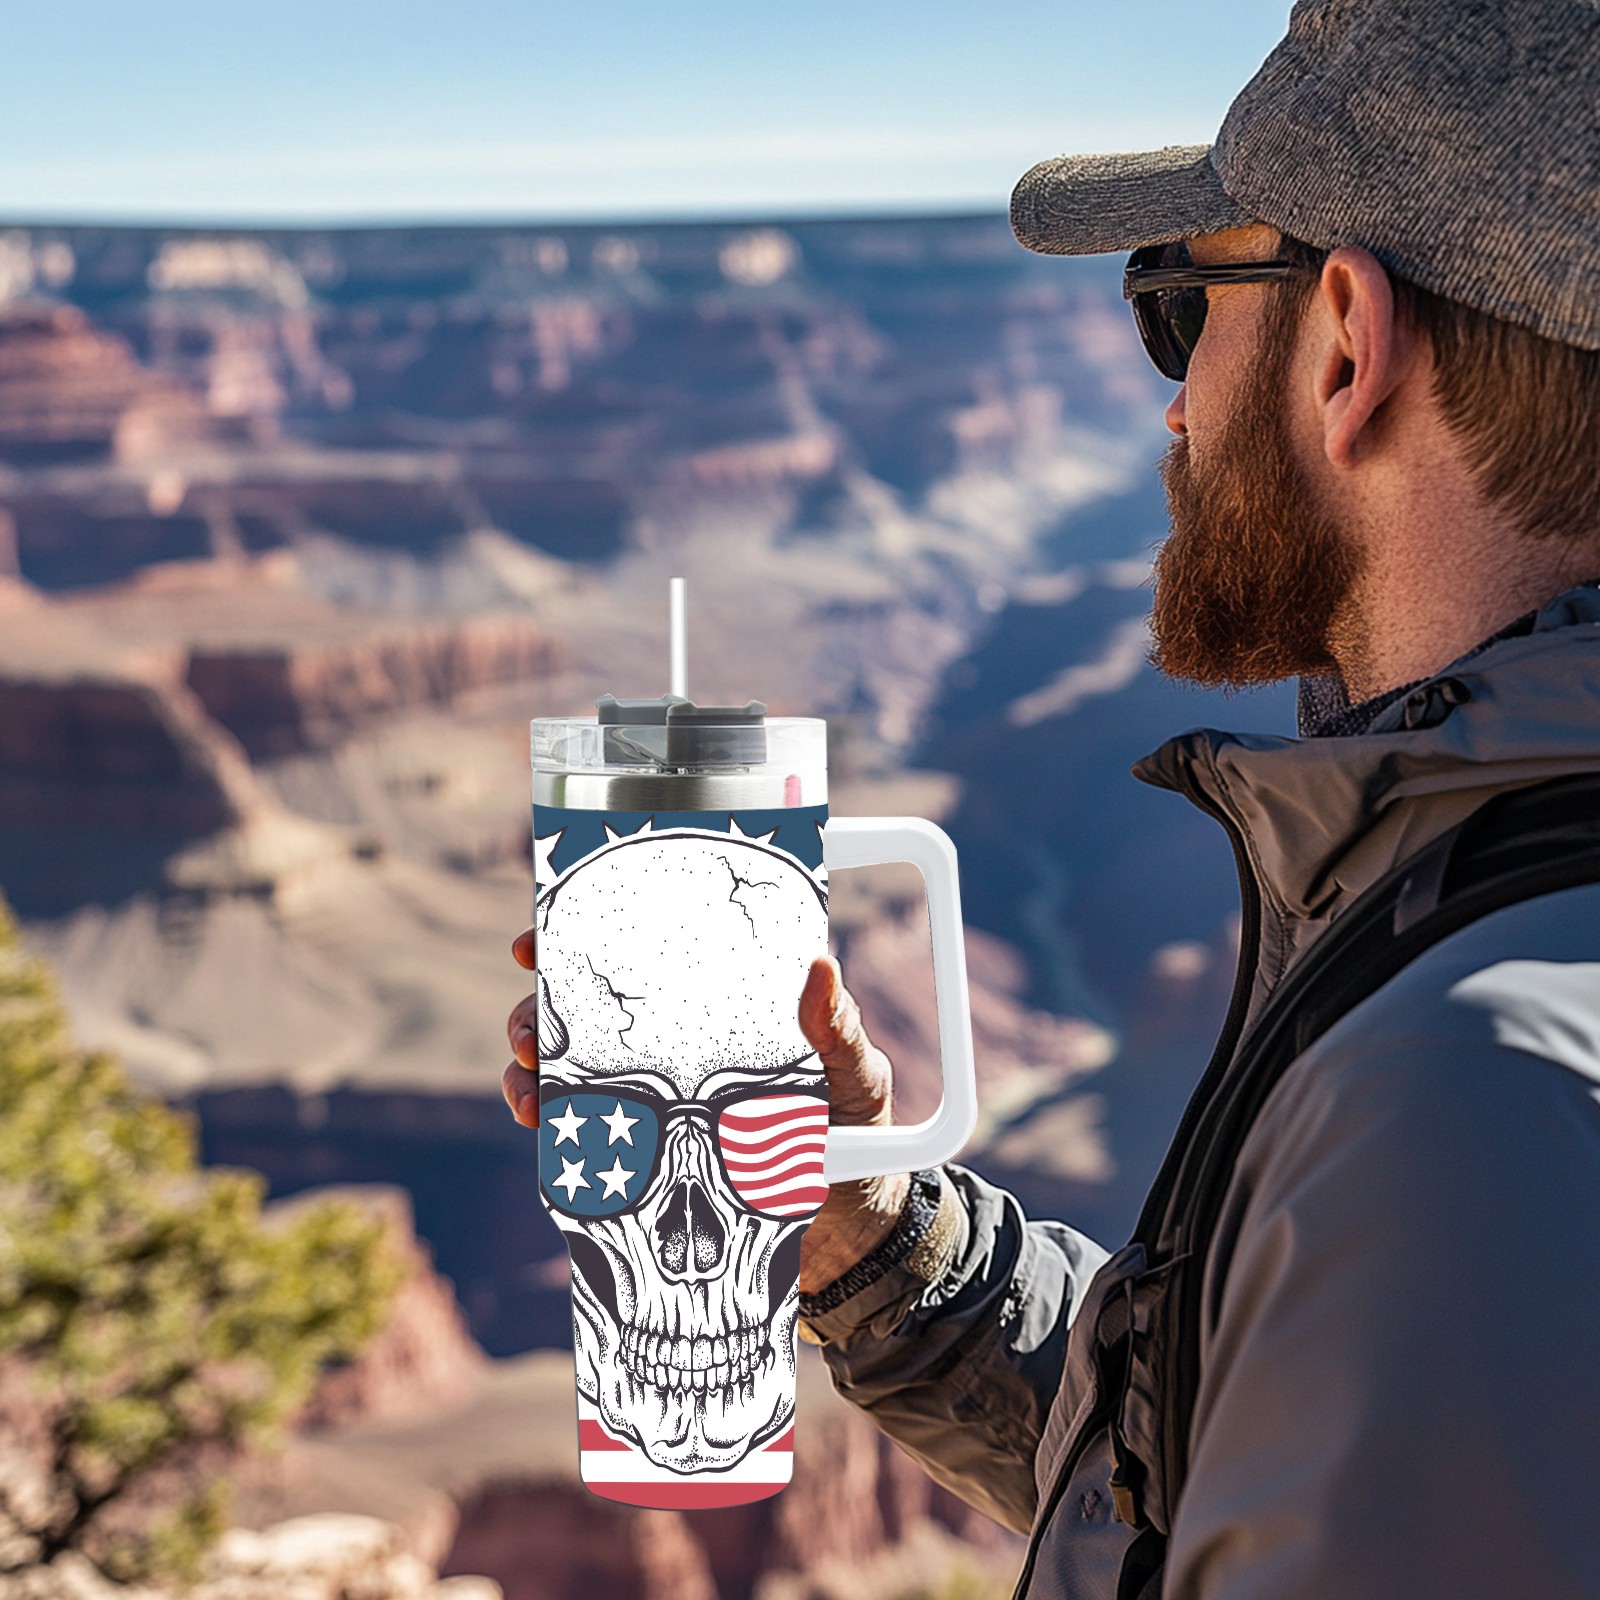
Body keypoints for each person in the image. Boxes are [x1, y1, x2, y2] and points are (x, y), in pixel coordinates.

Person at [505, 0, 1600, 1592]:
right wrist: (865, 1221)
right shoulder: (1495, 974)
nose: (1173, 402)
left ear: (1346, 344)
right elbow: (1239, 1473)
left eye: (1182, 305)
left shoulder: (1460, 1103)